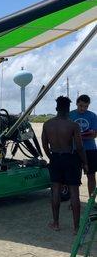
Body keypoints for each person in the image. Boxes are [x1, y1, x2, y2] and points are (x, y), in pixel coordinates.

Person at [41, 96, 88, 234]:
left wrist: (51, 157)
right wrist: (85, 162)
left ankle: (56, 223)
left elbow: (44, 144)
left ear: (56, 108)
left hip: (55, 158)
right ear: (68, 110)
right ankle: (76, 228)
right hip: (70, 158)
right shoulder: (73, 125)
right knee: (74, 192)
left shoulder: (47, 124)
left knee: (55, 190)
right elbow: (79, 147)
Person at [70, 94, 97, 196]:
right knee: (74, 178)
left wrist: (76, 136)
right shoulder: (70, 115)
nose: (83, 109)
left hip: (90, 150)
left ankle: (91, 201)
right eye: (81, 106)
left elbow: (94, 135)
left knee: (91, 176)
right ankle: (74, 201)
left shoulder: (93, 116)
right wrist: (85, 135)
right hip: (74, 150)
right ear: (77, 103)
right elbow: (67, 134)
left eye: (86, 106)